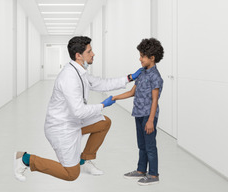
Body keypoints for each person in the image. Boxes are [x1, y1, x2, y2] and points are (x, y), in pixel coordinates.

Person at [13, 36, 143, 182]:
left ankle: (84, 161)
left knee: (104, 123)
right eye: (89, 51)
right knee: (71, 174)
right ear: (78, 55)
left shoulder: (79, 72)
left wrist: (129, 78)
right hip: (61, 129)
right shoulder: (69, 77)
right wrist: (102, 105)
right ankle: (25, 159)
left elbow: (101, 83)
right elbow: (79, 111)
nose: (93, 54)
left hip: (73, 122)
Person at [112, 38, 164, 186]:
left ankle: (153, 174)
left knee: (150, 146)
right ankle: (141, 170)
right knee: (141, 145)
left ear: (152, 58)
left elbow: (155, 100)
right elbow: (131, 92)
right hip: (139, 114)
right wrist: (115, 97)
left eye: (142, 56)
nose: (139, 58)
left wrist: (150, 120)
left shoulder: (155, 77)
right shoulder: (141, 73)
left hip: (148, 115)